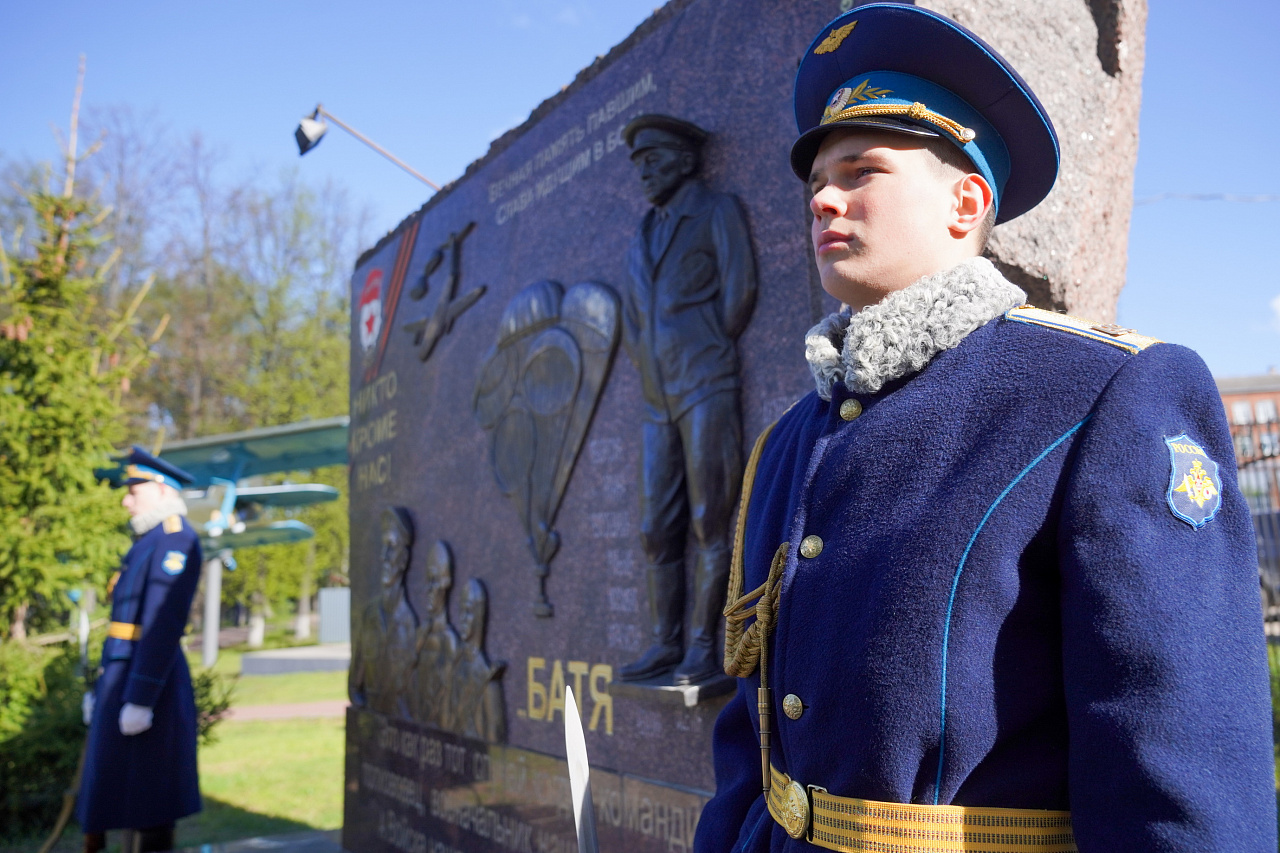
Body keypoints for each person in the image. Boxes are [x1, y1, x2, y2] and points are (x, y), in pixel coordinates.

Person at [697, 5, 1275, 852]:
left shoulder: (1102, 392)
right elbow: (751, 744)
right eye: (817, 179)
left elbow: (1179, 768)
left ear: (966, 203)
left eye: (861, 171)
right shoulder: (787, 444)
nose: (823, 196)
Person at [618, 114, 758, 686]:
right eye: (639, 165)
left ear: (683, 161)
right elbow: (633, 317)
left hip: (705, 381)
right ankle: (663, 642)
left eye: (653, 161)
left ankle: (703, 647)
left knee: (709, 518)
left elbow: (740, 289)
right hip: (659, 398)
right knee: (656, 525)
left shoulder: (715, 211)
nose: (644, 174)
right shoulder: (643, 234)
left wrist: (707, 345)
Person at [79, 448, 203, 853]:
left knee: (149, 798)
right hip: (123, 679)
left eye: (135, 490)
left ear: (163, 490)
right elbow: (122, 628)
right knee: (122, 792)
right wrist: (102, 689)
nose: (126, 499)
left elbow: (162, 625)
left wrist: (141, 696)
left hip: (151, 685)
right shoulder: (148, 541)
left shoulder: (175, 539)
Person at [350, 507, 419, 719]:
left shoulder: (410, 624)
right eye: (383, 547)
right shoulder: (369, 616)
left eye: (392, 547)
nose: (384, 556)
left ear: (405, 559)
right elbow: (354, 688)